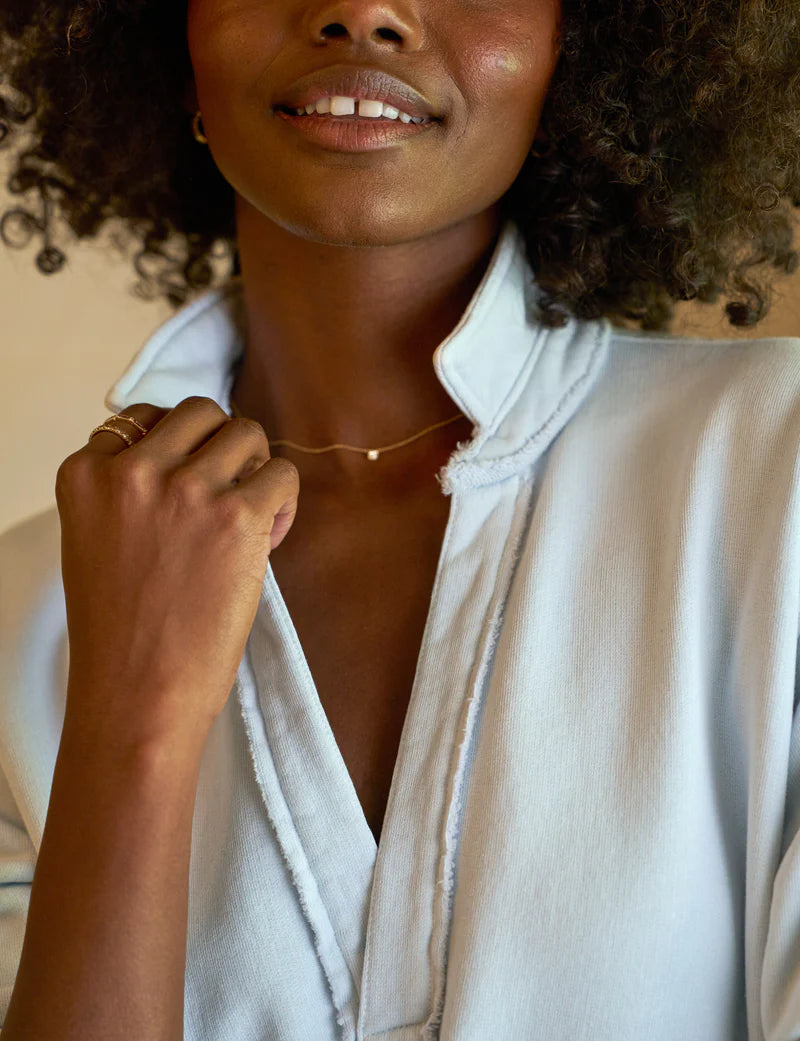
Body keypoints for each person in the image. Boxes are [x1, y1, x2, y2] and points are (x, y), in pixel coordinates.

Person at [1, 1, 800, 1038]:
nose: (364, 9)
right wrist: (130, 724)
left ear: (583, 44)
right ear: (169, 36)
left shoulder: (769, 473)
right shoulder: (23, 614)